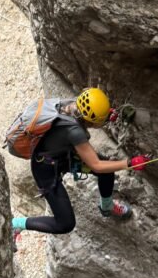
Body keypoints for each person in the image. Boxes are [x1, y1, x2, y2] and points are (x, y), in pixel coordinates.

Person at [11, 87, 149, 240]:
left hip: (62, 155)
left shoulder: (73, 104)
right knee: (65, 224)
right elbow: (96, 165)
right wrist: (129, 163)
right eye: (101, 119)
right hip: (46, 169)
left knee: (107, 170)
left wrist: (106, 114)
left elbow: (91, 114)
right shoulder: (74, 131)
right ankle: (17, 224)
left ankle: (107, 206)